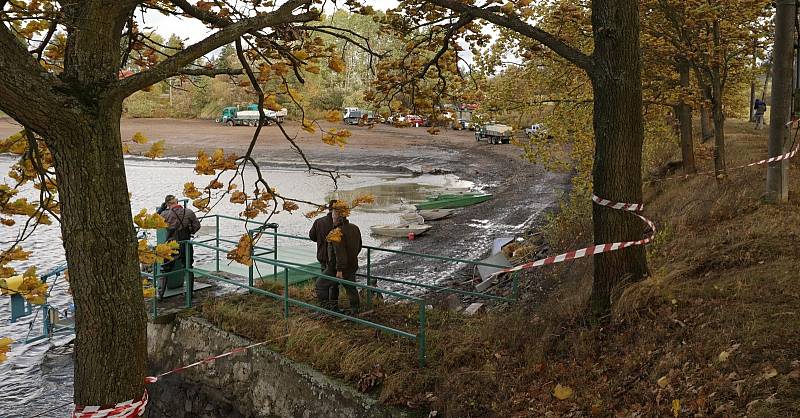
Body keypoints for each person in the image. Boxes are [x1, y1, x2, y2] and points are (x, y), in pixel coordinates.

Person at [320, 204, 362, 313]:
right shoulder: (355, 228)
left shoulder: (336, 233)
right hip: (352, 264)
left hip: (336, 268)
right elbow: (359, 246)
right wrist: (352, 257)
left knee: (320, 285)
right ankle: (355, 310)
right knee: (350, 288)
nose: (332, 219)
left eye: (333, 217)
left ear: (337, 217)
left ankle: (326, 310)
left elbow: (340, 253)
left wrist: (339, 270)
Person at [159, 196, 201, 297]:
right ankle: (190, 294)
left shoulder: (165, 214)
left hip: (171, 245)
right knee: (188, 267)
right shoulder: (189, 212)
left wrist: (161, 210)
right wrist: (190, 231)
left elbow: (155, 221)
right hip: (185, 243)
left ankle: (160, 294)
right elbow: (197, 226)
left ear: (167, 204)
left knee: (165, 268)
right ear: (177, 202)